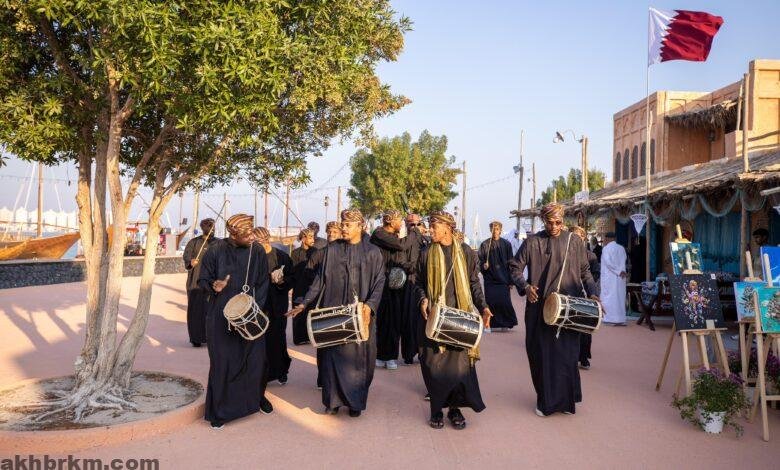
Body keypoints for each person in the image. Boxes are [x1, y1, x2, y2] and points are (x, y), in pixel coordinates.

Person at [287, 209, 384, 417]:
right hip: (334, 313)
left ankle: (355, 403)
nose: (344, 228)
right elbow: (320, 280)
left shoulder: (372, 252)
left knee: (359, 361)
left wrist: (370, 305)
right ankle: (333, 401)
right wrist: (304, 303)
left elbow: (379, 282)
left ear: (360, 226)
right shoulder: (332, 250)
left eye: (348, 225)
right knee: (332, 358)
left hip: (360, 314)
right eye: (343, 224)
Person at [509, 203, 598, 417]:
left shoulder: (574, 241)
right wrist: (525, 287)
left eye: (559, 222)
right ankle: (546, 402)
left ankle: (566, 402)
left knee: (567, 356)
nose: (555, 226)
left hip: (569, 308)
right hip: (539, 308)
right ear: (543, 221)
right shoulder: (532, 242)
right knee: (541, 355)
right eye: (550, 222)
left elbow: (585, 271)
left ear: (563, 221)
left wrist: (593, 293)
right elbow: (514, 268)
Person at [415, 211, 492, 430]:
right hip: (433, 318)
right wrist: (422, 299)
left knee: (458, 370)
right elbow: (418, 282)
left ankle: (455, 410)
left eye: (434, 226)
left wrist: (483, 307)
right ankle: (436, 410)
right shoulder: (426, 253)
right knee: (433, 366)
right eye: (430, 225)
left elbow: (474, 283)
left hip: (459, 319)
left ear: (448, 228)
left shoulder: (465, 251)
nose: (430, 230)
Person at [198, 214, 272, 428]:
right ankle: (220, 412)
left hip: (250, 313)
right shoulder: (216, 250)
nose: (252, 237)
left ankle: (255, 399)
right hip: (221, 316)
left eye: (252, 233)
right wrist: (214, 285)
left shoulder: (257, 251)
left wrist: (253, 311)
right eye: (246, 235)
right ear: (233, 234)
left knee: (255, 361)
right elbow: (202, 279)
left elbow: (263, 282)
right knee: (223, 363)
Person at [370, 209, 420, 370]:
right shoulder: (379, 234)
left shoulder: (393, 237)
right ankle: (380, 355)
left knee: (394, 320)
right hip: (380, 283)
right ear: (391, 221)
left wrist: (415, 267)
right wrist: (415, 232)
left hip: (395, 285)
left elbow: (400, 260)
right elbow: (401, 245)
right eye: (400, 220)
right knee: (382, 320)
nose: (402, 223)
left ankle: (391, 356)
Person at [253, 226, 293, 385]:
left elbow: (292, 278)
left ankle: (281, 371)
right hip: (258, 305)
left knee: (277, 339)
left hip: (277, 305)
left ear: (266, 240)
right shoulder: (252, 257)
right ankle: (260, 374)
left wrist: (281, 281)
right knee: (258, 341)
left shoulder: (282, 257)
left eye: (257, 242)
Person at [182, 218, 218, 347]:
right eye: (209, 227)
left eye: (213, 227)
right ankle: (196, 338)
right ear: (203, 228)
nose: (212, 229)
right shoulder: (193, 242)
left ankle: (212, 337)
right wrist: (191, 262)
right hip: (195, 283)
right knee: (195, 311)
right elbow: (186, 257)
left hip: (212, 282)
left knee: (212, 311)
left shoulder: (218, 243)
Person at [478, 221, 518, 332]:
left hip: (503, 279)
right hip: (490, 280)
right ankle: (489, 325)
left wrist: (511, 281)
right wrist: (483, 266)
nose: (494, 231)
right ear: (490, 230)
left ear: (500, 230)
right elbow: (479, 261)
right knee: (490, 303)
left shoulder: (507, 244)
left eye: (496, 229)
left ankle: (505, 323)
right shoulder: (485, 244)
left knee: (504, 302)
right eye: (492, 229)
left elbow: (511, 263)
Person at [570, 226, 600, 370]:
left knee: (585, 328)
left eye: (579, 236)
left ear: (583, 238)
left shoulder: (591, 256)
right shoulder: (565, 254)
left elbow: (595, 274)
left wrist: (589, 288)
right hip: (569, 295)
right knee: (570, 326)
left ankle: (583, 357)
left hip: (586, 295)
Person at [401, 213, 425, 364]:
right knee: (408, 320)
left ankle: (423, 353)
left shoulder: (426, 241)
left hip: (423, 285)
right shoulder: (403, 242)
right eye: (412, 225)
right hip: (409, 285)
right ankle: (409, 354)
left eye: (417, 224)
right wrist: (417, 267)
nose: (415, 228)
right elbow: (402, 263)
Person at [291, 228, 317, 344]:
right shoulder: (295, 253)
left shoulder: (316, 252)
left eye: (313, 237)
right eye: (310, 237)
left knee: (311, 312)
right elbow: (293, 271)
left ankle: (310, 337)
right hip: (298, 287)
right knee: (298, 312)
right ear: (303, 238)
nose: (313, 239)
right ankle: (299, 339)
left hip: (312, 287)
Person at [601, 232, 627, 326]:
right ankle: (620, 318)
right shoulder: (621, 248)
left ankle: (610, 318)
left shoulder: (606, 249)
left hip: (610, 277)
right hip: (620, 277)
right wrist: (621, 271)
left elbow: (608, 262)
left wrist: (618, 271)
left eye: (604, 239)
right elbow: (624, 260)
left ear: (607, 239)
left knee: (609, 297)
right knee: (619, 297)